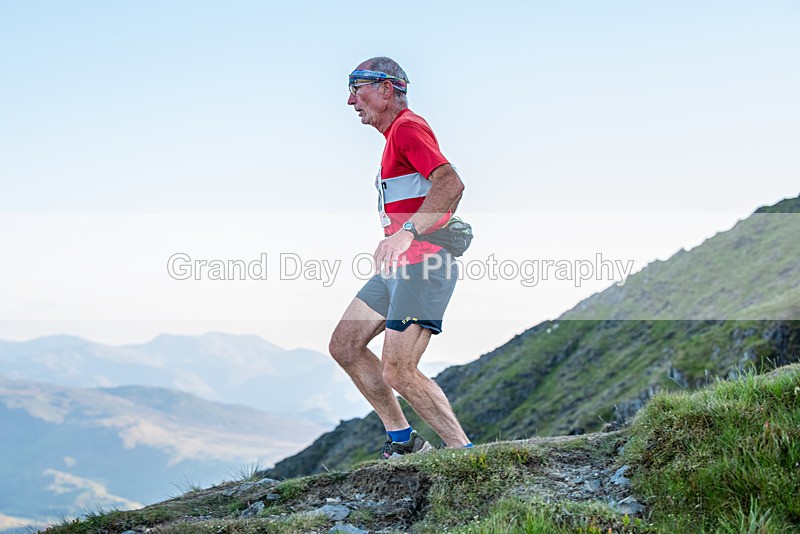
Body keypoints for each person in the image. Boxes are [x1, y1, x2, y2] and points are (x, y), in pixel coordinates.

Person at [329, 56, 472, 459]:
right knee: (345, 345)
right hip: (399, 269)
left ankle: (464, 453)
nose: (350, 100)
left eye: (356, 89)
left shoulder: (408, 127)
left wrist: (407, 232)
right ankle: (403, 440)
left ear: (385, 88)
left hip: (424, 265)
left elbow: (451, 182)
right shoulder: (395, 138)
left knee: (398, 370)